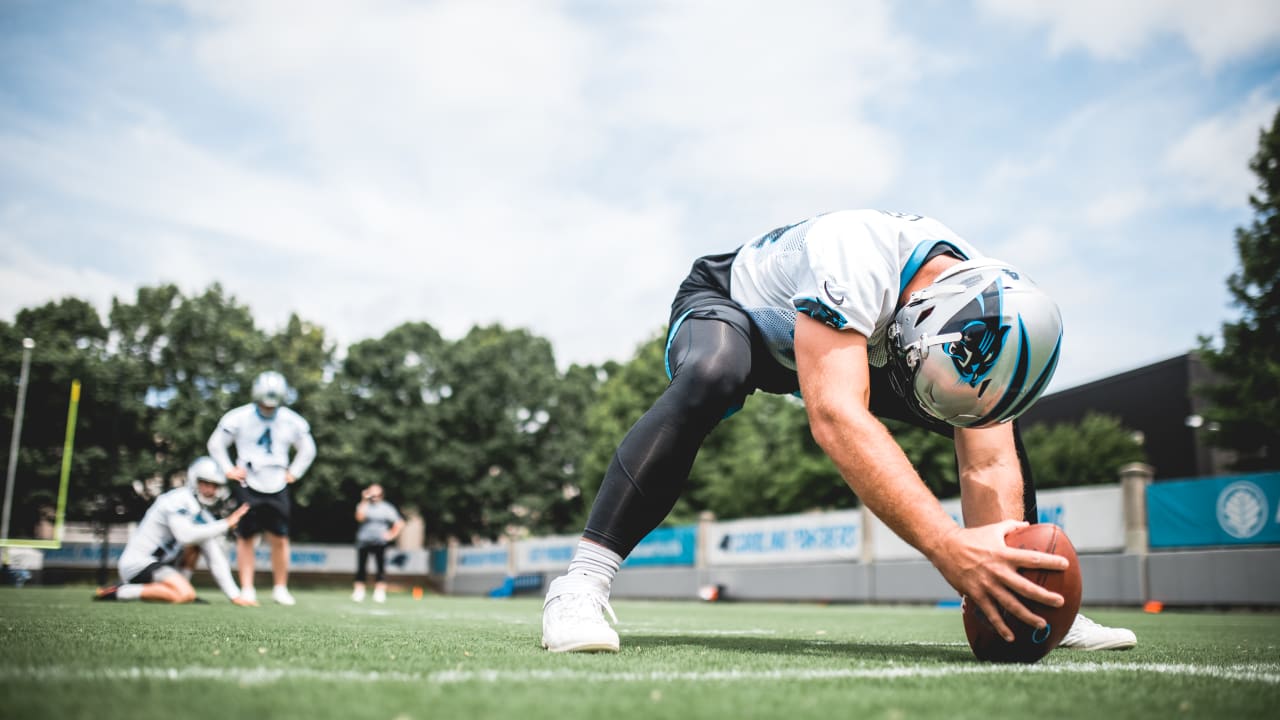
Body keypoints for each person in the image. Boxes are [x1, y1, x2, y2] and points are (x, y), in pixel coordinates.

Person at [541, 209, 1137, 653]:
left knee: (994, 426)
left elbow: (986, 461)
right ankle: (580, 584)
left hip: (857, 341)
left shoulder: (988, 312)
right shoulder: (854, 254)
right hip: (739, 315)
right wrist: (950, 548)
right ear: (924, 322)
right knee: (713, 375)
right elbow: (836, 418)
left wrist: (1010, 582)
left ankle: (1025, 595)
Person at [207, 370, 316, 606]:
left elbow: (308, 449)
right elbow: (216, 444)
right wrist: (227, 469)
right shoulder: (239, 417)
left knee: (280, 537)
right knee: (246, 536)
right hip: (249, 480)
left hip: (277, 482)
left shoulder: (292, 420)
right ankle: (247, 588)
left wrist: (294, 473)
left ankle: (280, 588)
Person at [94, 457, 257, 605]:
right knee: (184, 593)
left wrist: (235, 595)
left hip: (160, 564)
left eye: (215, 485)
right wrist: (226, 523)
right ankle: (121, 591)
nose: (210, 490)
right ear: (195, 480)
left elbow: (214, 554)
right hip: (139, 564)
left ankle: (183, 591)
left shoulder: (200, 510)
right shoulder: (177, 499)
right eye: (206, 483)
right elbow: (185, 536)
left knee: (200, 543)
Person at [351, 484, 406, 603]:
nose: (375, 497)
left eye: (378, 494)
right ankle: (359, 591)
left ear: (382, 495)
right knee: (361, 567)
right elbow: (359, 517)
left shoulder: (387, 508)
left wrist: (391, 534)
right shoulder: (364, 505)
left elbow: (400, 522)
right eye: (372, 494)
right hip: (364, 540)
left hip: (380, 542)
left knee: (380, 567)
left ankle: (379, 592)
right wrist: (364, 500)